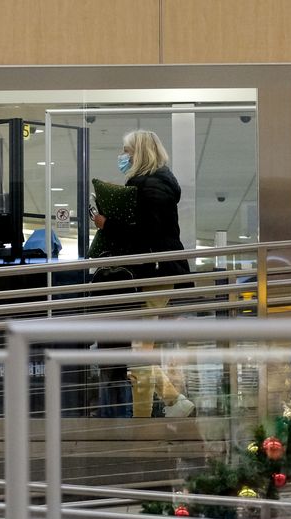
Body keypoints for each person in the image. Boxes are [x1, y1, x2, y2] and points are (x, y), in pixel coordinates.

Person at [90, 130, 193, 418]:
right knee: (141, 349)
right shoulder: (156, 183)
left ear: (140, 153)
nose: (123, 156)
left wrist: (106, 224)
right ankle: (173, 403)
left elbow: (148, 232)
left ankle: (147, 419)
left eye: (127, 151)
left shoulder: (151, 187)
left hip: (155, 274)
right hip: (158, 273)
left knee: (140, 352)